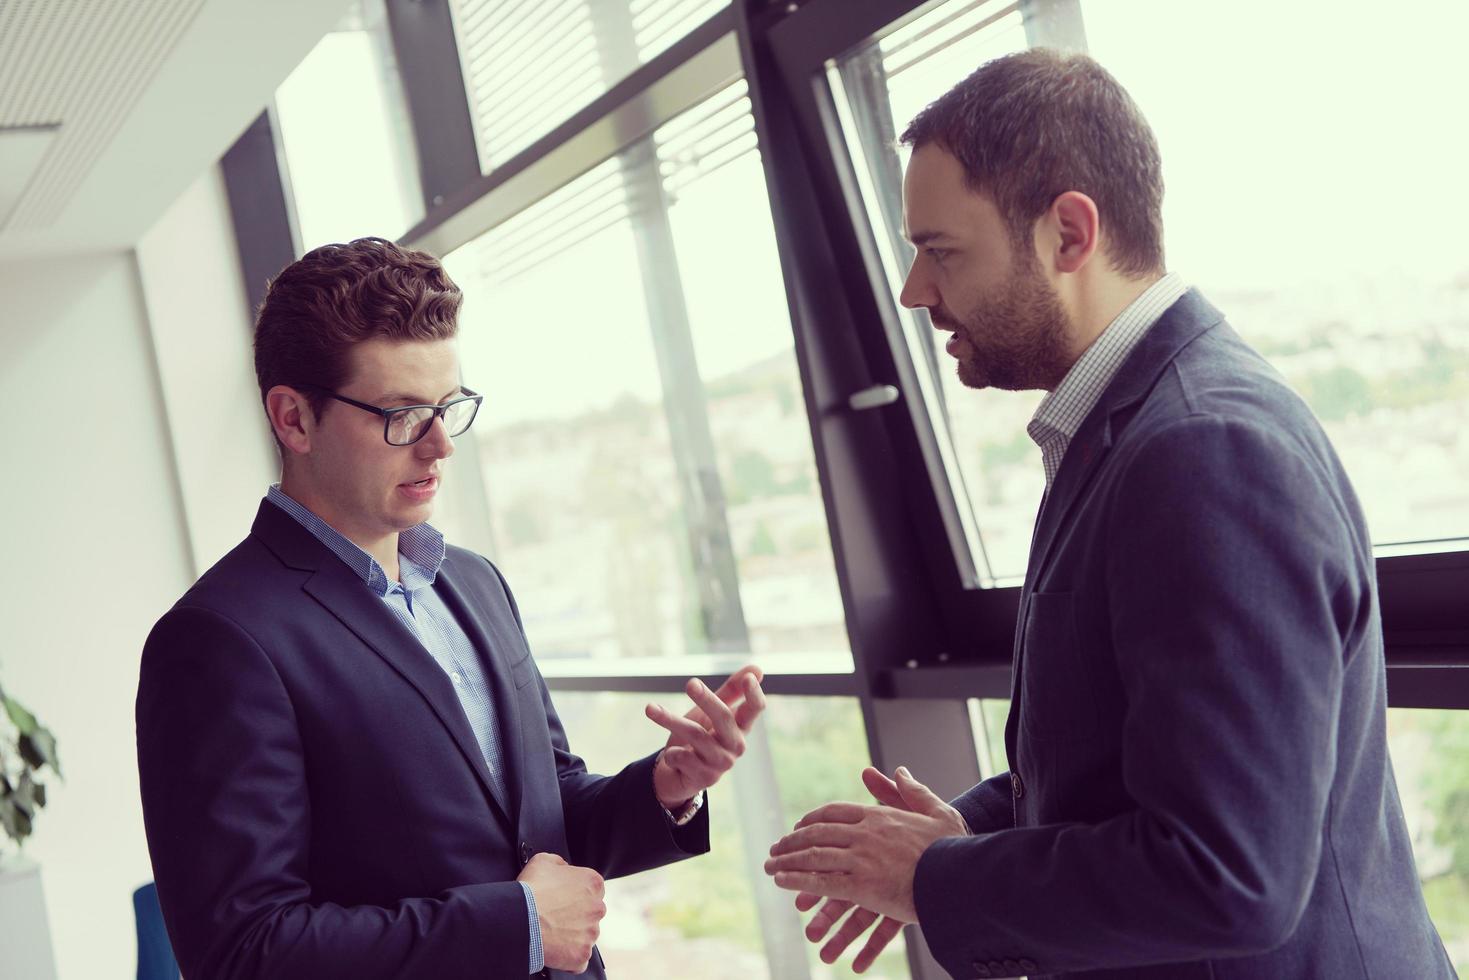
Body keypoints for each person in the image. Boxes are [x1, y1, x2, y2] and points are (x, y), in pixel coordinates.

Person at [763, 49, 1456, 979]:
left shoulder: (1200, 449)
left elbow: (1226, 873)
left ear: (1068, 233)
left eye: (939, 250)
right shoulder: (1129, 431)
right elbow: (1133, 757)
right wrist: (956, 835)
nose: (913, 291)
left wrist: (939, 881)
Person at [136, 237, 767, 980]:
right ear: (294, 420)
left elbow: (543, 816)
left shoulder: (473, 583)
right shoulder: (217, 640)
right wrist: (520, 925)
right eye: (402, 415)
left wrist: (664, 787)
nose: (440, 446)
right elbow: (246, 952)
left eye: (448, 407)